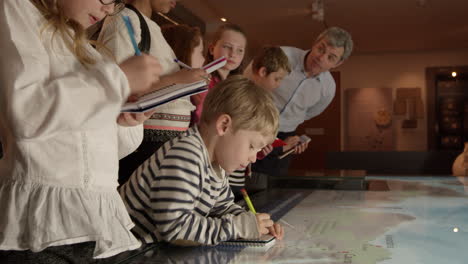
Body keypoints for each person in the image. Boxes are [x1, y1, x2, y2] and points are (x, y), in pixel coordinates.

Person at [0, 0, 162, 263]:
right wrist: (117, 80)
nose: (109, 9)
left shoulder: (87, 49)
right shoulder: (16, 9)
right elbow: (27, 115)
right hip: (42, 228)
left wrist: (126, 119)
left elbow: (103, 152)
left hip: (95, 222)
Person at [119, 76, 284, 245]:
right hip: (122, 252)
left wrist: (254, 224)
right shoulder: (187, 155)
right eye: (251, 146)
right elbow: (176, 230)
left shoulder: (216, 165)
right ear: (224, 125)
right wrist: (237, 227)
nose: (253, 158)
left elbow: (223, 208)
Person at [97, 0, 209, 185]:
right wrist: (178, 80)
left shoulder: (151, 27)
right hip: (141, 148)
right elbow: (114, 89)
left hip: (158, 146)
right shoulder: (124, 20)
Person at [251, 27, 353, 178]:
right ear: (315, 43)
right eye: (321, 49)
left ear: (338, 63)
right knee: (241, 174)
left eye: (331, 57)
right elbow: (247, 80)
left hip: (285, 135)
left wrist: (290, 125)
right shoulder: (282, 55)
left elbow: (309, 113)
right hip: (253, 125)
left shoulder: (328, 88)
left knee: (273, 184)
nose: (321, 58)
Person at [229, 46, 291, 198]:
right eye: (276, 79)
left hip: (240, 173)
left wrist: (261, 148)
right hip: (228, 171)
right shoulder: (240, 94)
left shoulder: (262, 99)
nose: (278, 84)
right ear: (263, 72)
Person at [191, 23, 247, 124]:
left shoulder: (238, 88)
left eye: (240, 50)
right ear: (212, 49)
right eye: (227, 46)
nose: (233, 54)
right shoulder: (201, 78)